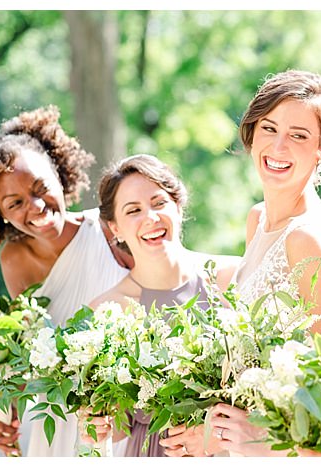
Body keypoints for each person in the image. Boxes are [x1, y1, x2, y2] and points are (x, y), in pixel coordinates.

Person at [161, 69, 321, 457]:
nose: (278, 146)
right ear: (251, 134)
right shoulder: (258, 218)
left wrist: (220, 437)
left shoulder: (307, 238)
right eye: (269, 128)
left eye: (299, 135)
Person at [0, 106, 133, 457]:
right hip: (58, 419)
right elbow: (28, 344)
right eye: (14, 203)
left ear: (59, 174)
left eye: (40, 187)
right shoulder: (15, 260)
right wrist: (4, 403)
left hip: (121, 420)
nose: (35, 206)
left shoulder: (111, 230)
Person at [77, 154, 240, 457]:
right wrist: (99, 424)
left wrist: (214, 433)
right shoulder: (107, 310)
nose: (150, 217)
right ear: (115, 228)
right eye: (133, 210)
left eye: (159, 203)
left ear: (178, 206)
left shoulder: (232, 279)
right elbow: (118, 423)